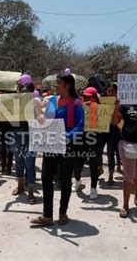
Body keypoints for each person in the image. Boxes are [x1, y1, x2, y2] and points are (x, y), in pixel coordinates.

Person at [31, 74, 84, 226]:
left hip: (68, 146)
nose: (56, 85)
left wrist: (64, 136)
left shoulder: (76, 103)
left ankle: (63, 213)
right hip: (50, 144)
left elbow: (79, 127)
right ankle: (47, 215)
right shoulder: (53, 100)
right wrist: (40, 119)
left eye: (58, 83)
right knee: (46, 178)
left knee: (65, 180)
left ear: (67, 85)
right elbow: (47, 120)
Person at [10, 75, 43, 204]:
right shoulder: (15, 104)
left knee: (29, 163)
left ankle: (30, 191)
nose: (24, 96)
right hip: (17, 134)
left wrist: (37, 112)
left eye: (26, 93)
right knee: (18, 161)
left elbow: (41, 118)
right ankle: (20, 186)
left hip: (31, 135)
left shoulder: (36, 102)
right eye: (21, 93)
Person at [72, 87, 101, 200]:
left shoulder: (101, 109)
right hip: (81, 139)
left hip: (95, 140)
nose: (85, 98)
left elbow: (102, 125)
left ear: (94, 98)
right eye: (84, 96)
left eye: (88, 97)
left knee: (93, 165)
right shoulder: (79, 107)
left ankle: (93, 188)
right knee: (78, 164)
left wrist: (93, 109)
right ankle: (77, 179)